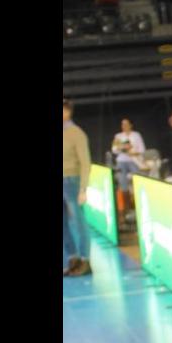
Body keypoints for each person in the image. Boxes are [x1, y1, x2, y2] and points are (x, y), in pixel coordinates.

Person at [62, 99, 93, 277]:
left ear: (67, 112)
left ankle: (85, 259)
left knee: (79, 221)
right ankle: (72, 258)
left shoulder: (77, 133)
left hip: (71, 181)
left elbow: (85, 162)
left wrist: (83, 189)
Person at [110, 118, 146, 198]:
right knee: (122, 178)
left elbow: (142, 149)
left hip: (134, 160)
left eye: (126, 124)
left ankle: (138, 196)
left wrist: (133, 152)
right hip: (121, 160)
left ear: (130, 125)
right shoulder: (118, 136)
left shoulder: (136, 135)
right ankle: (125, 199)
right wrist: (122, 148)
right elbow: (114, 150)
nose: (124, 126)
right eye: (122, 124)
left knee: (137, 177)